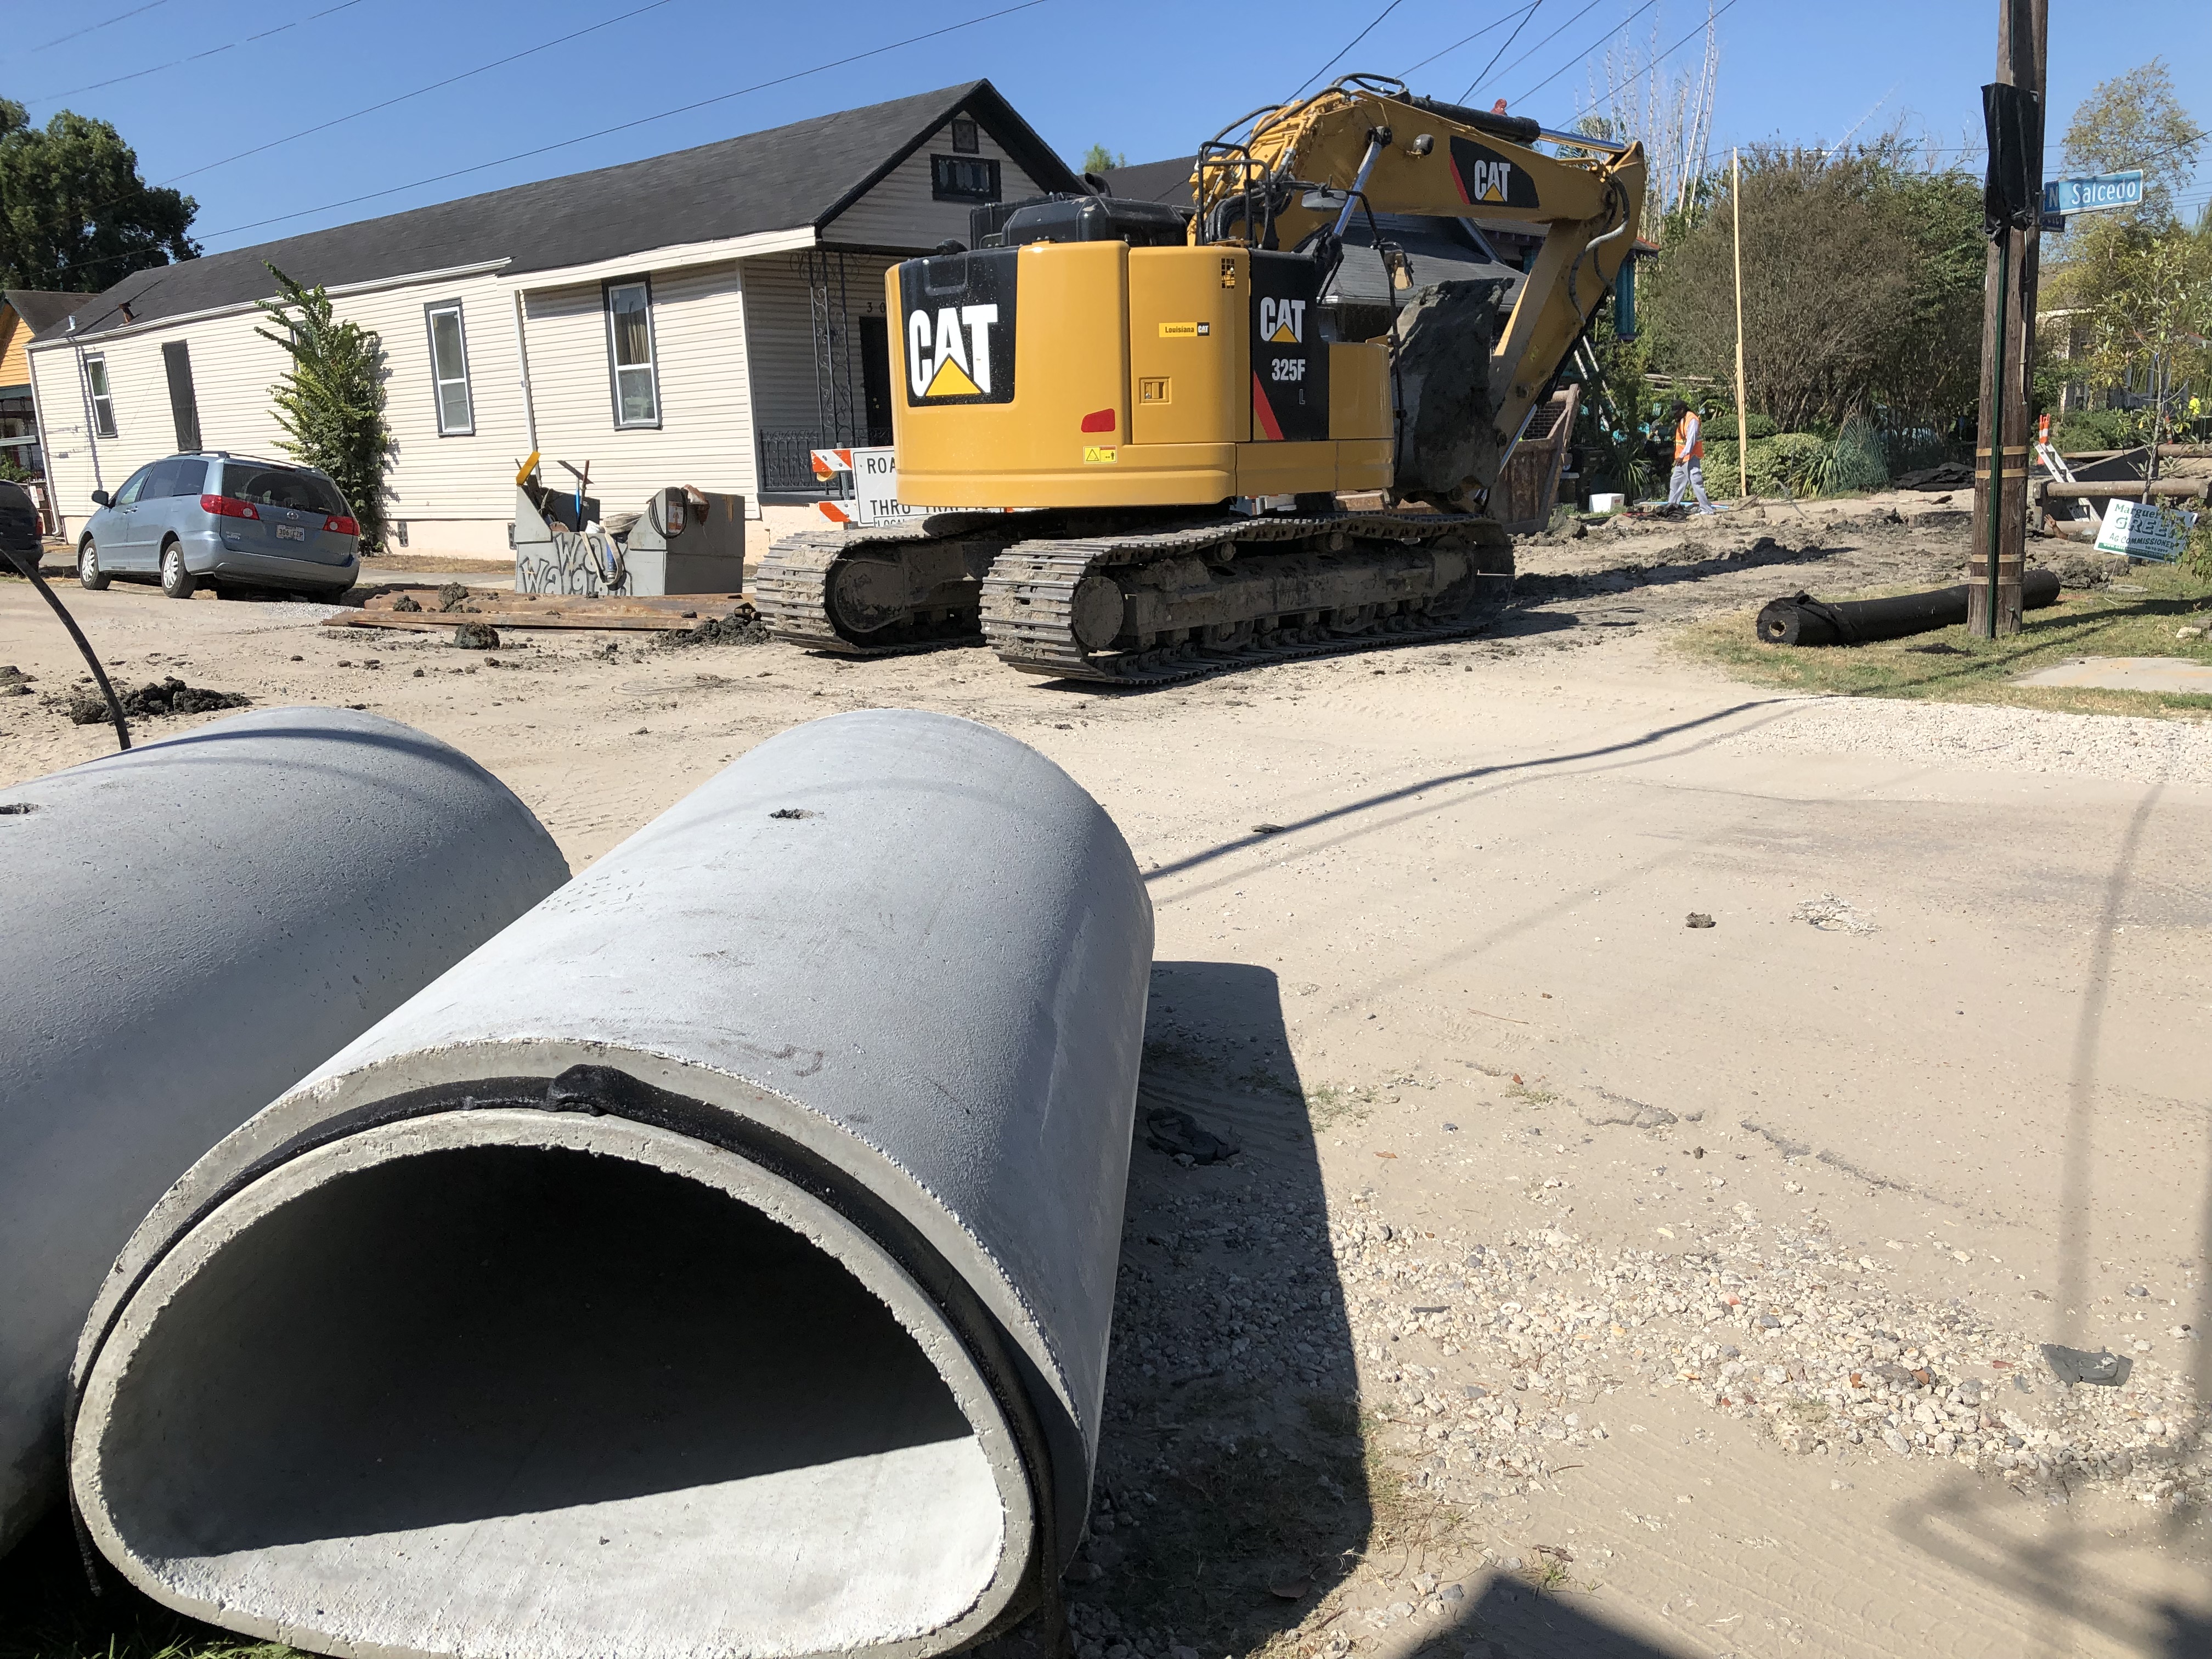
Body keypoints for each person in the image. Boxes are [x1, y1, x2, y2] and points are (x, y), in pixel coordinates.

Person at [1667, 399, 1715, 512]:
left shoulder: (1692, 420)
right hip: (1683, 459)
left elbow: (1691, 442)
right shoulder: (1683, 419)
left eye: (1676, 413)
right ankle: (1672, 507)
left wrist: (1682, 456)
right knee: (1675, 482)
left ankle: (1707, 510)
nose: (1675, 416)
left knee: (1696, 483)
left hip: (1691, 457)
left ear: (1682, 410)